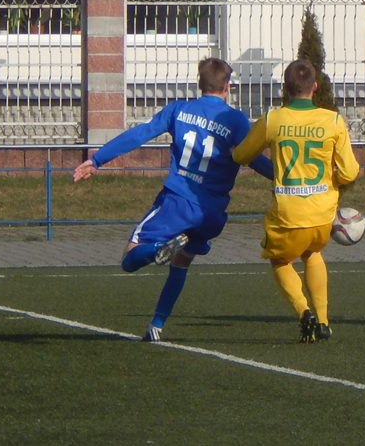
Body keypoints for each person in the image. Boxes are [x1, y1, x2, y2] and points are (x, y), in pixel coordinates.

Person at [73, 58, 273, 341]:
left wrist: (97, 159)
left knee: (129, 258)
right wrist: (284, 177)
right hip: (212, 213)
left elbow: (139, 134)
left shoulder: (178, 110)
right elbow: (254, 159)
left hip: (178, 202)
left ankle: (157, 249)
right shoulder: (236, 120)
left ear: (199, 83)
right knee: (181, 262)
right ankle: (156, 324)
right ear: (227, 86)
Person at [232, 59, 359, 343]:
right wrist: (331, 179)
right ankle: (324, 321)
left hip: (289, 214)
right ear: (315, 87)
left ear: (285, 89)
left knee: (280, 261)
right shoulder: (333, 121)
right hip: (323, 214)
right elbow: (350, 172)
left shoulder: (273, 119)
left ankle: (304, 312)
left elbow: (241, 156)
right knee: (312, 253)